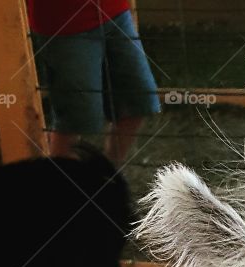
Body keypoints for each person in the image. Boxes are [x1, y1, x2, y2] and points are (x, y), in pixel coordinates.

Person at [27, 0, 160, 165]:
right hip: (63, 23)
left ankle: (105, 178)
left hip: (115, 10)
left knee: (138, 100)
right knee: (75, 121)